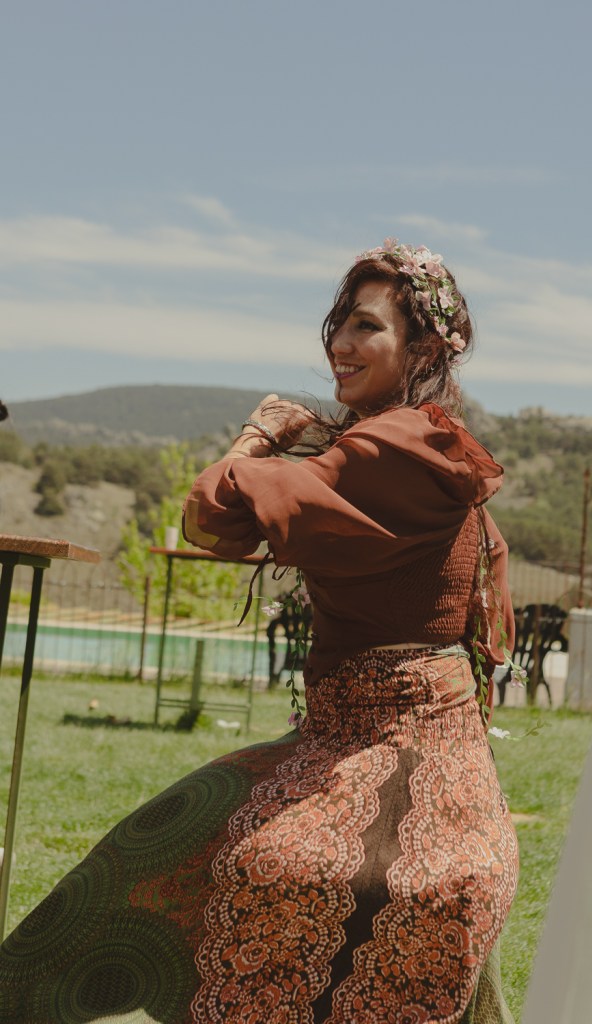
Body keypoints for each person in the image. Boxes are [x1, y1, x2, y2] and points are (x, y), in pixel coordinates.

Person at [0, 240, 518, 1023]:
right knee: (176, 835)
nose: (340, 342)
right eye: (339, 322)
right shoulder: (410, 438)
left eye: (367, 326)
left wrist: (258, 434)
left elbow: (211, 516)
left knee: (236, 862)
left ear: (421, 348)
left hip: (402, 747)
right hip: (358, 736)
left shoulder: (399, 444)